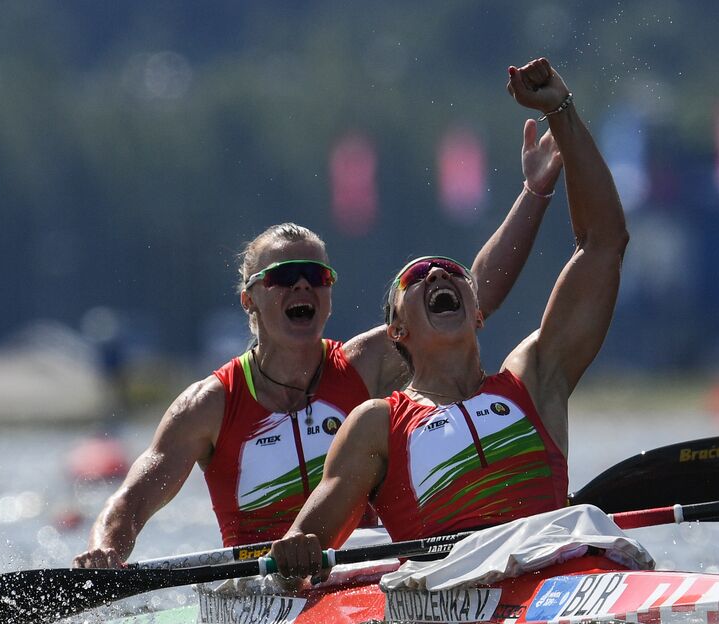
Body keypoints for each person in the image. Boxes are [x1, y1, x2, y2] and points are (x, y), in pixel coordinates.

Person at [73, 120, 563, 568]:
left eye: (315, 276)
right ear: (249, 300)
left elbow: (471, 293)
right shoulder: (209, 406)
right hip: (265, 586)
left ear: (329, 294)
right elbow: (131, 502)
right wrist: (107, 549)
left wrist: (534, 192)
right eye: (283, 277)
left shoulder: (365, 365)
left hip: (367, 572)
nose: (302, 287)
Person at [271, 58, 626, 581]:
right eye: (418, 276)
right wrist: (297, 551)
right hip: (454, 599)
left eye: (453, 272)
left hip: (566, 574)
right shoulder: (377, 424)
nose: (439, 274)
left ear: (477, 311)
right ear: (398, 331)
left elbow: (604, 245)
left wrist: (562, 113)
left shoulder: (534, 379)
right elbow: (305, 548)